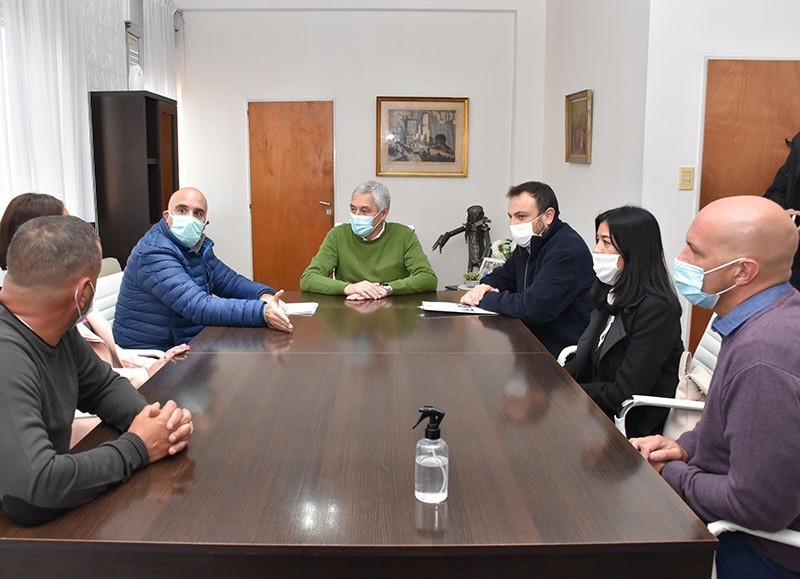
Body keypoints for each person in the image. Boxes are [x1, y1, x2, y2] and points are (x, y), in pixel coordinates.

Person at [630, 196, 800, 578]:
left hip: (759, 549)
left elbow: (759, 507)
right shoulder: (772, 312)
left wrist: (668, 473)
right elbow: (731, 421)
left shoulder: (764, 356)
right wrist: (683, 447)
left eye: (695, 251)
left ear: (742, 272)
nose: (680, 259)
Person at [0, 215, 194, 526]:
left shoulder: (56, 329)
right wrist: (139, 447)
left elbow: (101, 387)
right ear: (84, 293)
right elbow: (35, 489)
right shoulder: (7, 355)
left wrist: (152, 421)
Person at [0, 193, 187, 392]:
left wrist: (154, 365)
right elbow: (77, 389)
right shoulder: (30, 325)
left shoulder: (68, 293)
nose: (76, 237)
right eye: (67, 229)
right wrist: (147, 374)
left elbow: (101, 372)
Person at [114, 187, 293, 350]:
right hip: (152, 354)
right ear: (167, 216)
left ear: (205, 223)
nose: (190, 218)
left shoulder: (196, 246)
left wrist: (263, 295)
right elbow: (198, 306)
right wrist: (261, 311)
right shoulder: (154, 252)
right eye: (182, 210)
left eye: (198, 213)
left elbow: (229, 282)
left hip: (186, 342)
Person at [564, 206, 683, 437]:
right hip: (598, 407)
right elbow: (588, 356)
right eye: (597, 240)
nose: (596, 250)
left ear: (633, 250)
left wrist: (570, 391)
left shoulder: (656, 309)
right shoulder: (612, 292)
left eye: (606, 243)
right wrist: (554, 382)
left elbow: (625, 392)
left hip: (629, 423)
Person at [460, 181, 594, 356]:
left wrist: (484, 298)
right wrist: (484, 285)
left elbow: (532, 308)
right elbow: (504, 275)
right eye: (511, 216)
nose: (514, 224)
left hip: (561, 356)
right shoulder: (531, 242)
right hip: (530, 341)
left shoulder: (566, 250)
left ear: (548, 215)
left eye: (521, 216)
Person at [299, 180, 437, 299]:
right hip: (349, 309)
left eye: (364, 211)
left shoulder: (404, 235)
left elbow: (428, 278)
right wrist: (349, 288)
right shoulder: (337, 235)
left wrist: (387, 289)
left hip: (391, 311)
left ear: (383, 213)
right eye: (353, 209)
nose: (356, 215)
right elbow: (308, 278)